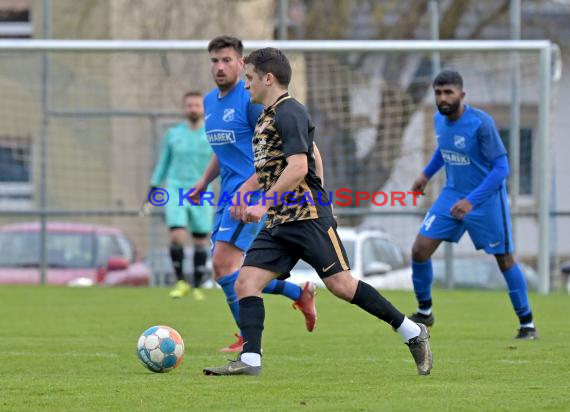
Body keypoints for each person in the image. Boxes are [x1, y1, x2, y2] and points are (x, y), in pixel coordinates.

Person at [203, 47, 432, 376]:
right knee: (246, 282)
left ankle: (411, 331)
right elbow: (273, 166)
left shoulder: (290, 112)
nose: (245, 84)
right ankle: (250, 360)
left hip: (308, 218)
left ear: (268, 78)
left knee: (342, 286)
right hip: (281, 221)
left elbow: (298, 166)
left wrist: (266, 202)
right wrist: (245, 191)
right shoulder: (267, 116)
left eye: (250, 77)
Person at [191, 36, 317, 353]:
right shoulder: (209, 102)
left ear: (241, 62)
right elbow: (224, 149)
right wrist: (203, 182)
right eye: (214, 61)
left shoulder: (249, 100)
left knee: (223, 267)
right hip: (225, 194)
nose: (220, 67)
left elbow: (266, 149)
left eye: (227, 60)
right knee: (232, 271)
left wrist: (255, 192)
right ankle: (296, 293)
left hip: (247, 193)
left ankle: (247, 343)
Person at [408, 70, 538, 340]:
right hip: (452, 194)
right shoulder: (438, 119)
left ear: (461, 95)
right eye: (438, 93)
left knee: (504, 259)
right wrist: (425, 174)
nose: (442, 98)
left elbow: (502, 168)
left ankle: (527, 324)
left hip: (486, 200)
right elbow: (444, 150)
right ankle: (425, 311)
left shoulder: (481, 123)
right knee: (420, 250)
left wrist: (471, 201)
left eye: (448, 93)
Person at [143, 91, 213, 300]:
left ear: (203, 109)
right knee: (177, 235)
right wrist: (153, 188)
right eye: (189, 105)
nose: (193, 109)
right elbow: (163, 163)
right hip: (175, 189)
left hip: (202, 190)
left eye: (197, 105)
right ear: (184, 109)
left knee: (200, 240)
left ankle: (198, 286)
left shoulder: (211, 133)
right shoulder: (173, 134)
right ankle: (181, 281)